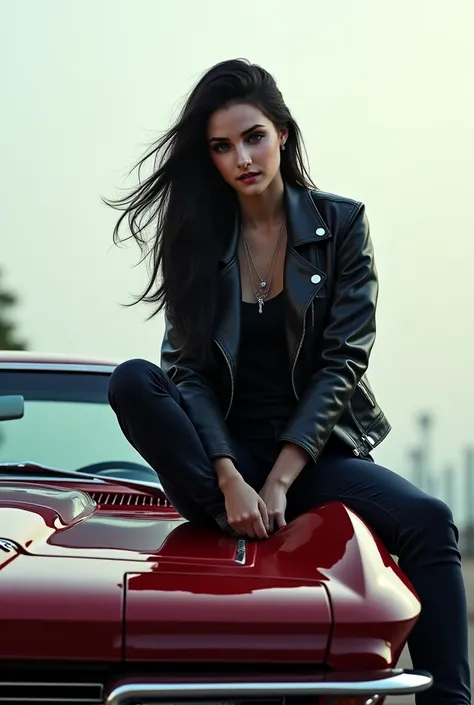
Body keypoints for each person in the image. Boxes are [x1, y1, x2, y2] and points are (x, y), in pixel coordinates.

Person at [106, 59, 470, 705]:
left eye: (253, 137)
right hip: (225, 460)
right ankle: (233, 519)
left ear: (283, 135)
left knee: (430, 518)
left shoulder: (342, 226)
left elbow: (343, 361)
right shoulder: (195, 238)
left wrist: (278, 479)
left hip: (314, 454)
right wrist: (231, 478)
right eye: (221, 147)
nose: (242, 157)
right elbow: (185, 371)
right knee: (134, 380)